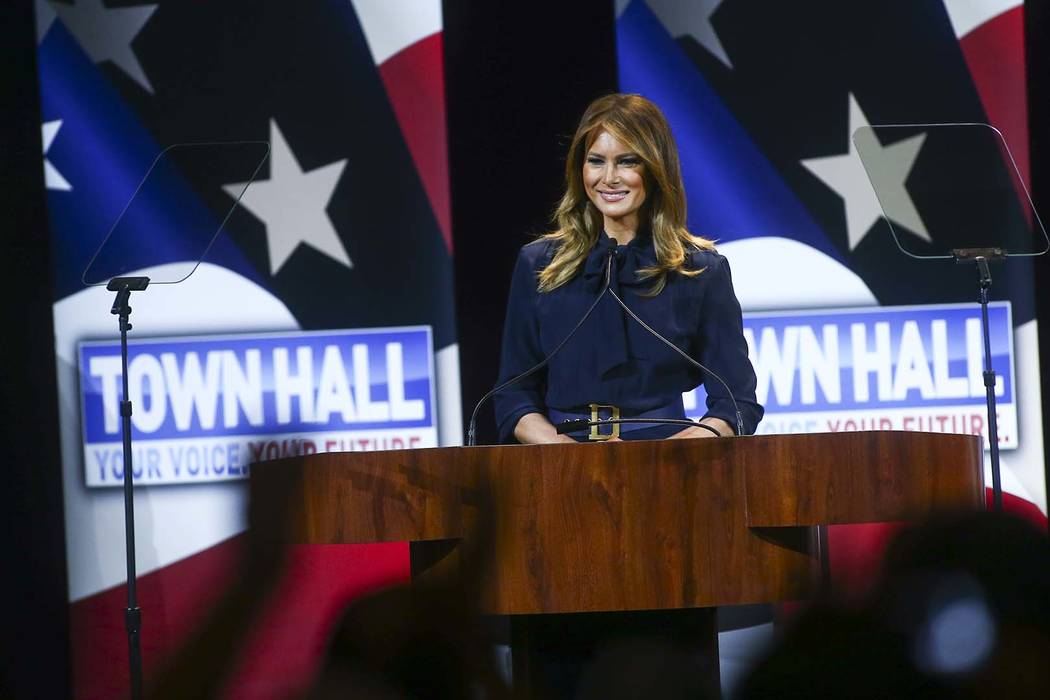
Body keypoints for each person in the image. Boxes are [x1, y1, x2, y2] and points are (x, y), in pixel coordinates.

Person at [494, 93, 762, 444]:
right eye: (596, 161)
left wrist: (663, 458)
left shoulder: (699, 271)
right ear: (580, 168)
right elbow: (513, 396)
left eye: (626, 162)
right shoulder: (540, 265)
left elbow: (737, 403)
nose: (609, 178)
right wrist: (565, 454)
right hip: (559, 467)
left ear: (655, 168)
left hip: (666, 466)